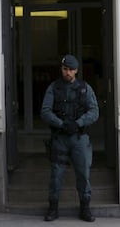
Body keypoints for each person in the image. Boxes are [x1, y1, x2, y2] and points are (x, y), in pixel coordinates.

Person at [41, 54, 99, 222]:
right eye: (65, 69)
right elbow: (45, 111)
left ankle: (85, 208)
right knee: (56, 175)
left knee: (83, 174)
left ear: (76, 70)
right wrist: (61, 124)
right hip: (60, 138)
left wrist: (79, 123)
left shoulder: (85, 88)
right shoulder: (54, 87)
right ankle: (53, 208)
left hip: (79, 138)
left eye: (71, 70)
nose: (68, 72)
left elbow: (94, 111)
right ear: (61, 69)